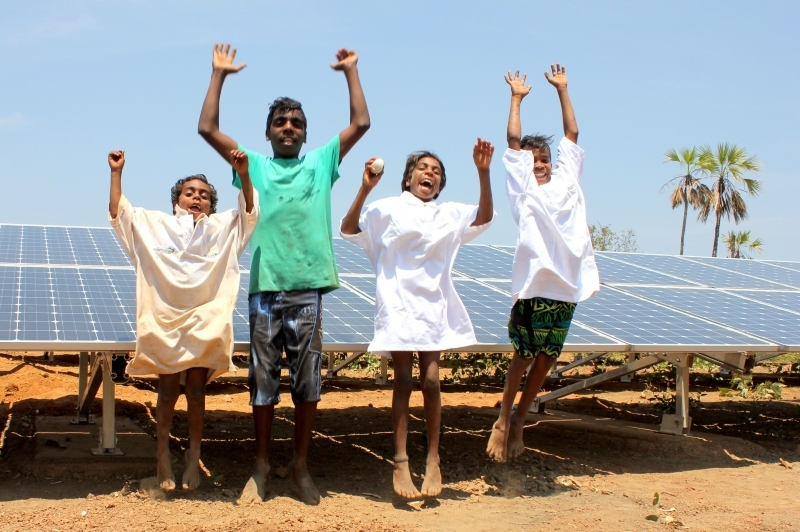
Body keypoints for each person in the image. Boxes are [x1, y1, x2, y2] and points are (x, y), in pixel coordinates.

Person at [197, 43, 370, 505]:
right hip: (265, 291)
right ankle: (259, 465)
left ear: (306, 134)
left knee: (308, 384)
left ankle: (300, 467)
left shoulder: (320, 163)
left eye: (296, 123)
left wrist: (351, 71)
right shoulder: (251, 165)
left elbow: (360, 124)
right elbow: (207, 128)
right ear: (269, 133)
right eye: (280, 122)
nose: (288, 128)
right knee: (262, 381)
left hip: (308, 290)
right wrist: (219, 74)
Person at [340, 139, 495, 498]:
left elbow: (484, 217)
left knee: (431, 383)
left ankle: (434, 459)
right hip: (397, 306)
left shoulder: (449, 213)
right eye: (424, 168)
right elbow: (349, 228)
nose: (430, 174)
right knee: (403, 384)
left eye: (437, 172)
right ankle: (401, 461)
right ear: (408, 178)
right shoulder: (387, 208)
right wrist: (364, 188)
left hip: (433, 308)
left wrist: (483, 173)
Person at [107, 148, 258, 491]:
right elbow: (120, 215)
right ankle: (162, 456)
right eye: (190, 192)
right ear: (176, 199)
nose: (197, 198)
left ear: (211, 205)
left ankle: (192, 457)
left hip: (205, 321)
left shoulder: (222, 227)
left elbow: (249, 211)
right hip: (165, 320)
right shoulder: (156, 225)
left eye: (204, 195)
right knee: (168, 389)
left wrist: (244, 175)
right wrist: (117, 173)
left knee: (195, 388)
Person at [486, 65, 599, 462]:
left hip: (567, 285)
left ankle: (520, 416)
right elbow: (513, 141)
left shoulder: (570, 181)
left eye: (545, 158)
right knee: (523, 354)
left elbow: (573, 135)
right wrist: (516, 98)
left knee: (548, 356)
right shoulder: (522, 189)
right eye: (534, 159)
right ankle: (503, 417)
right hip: (534, 282)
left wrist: (563, 90)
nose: (540, 163)